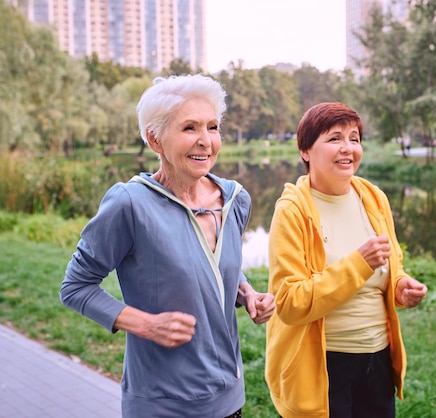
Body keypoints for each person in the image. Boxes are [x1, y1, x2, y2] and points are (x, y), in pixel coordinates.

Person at [60, 74, 275, 418]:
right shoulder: (129, 204)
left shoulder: (235, 198)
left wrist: (246, 293)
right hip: (162, 405)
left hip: (230, 400)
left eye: (212, 127)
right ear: (154, 139)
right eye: (189, 128)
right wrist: (147, 325)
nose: (205, 141)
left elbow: (214, 267)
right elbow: (75, 287)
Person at [265, 102, 428, 418]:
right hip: (324, 364)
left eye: (354, 138)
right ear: (305, 151)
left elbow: (390, 265)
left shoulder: (372, 196)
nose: (348, 148)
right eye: (334, 138)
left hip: (377, 358)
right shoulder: (292, 211)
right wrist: (358, 263)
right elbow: (288, 302)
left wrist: (400, 285)